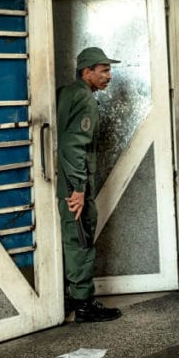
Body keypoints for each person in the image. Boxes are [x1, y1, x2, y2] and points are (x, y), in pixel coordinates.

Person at [56, 47, 122, 323]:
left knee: (75, 239)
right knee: (81, 239)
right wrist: (79, 190)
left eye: (109, 70)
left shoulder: (68, 92)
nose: (109, 75)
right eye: (103, 70)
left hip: (68, 180)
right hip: (74, 183)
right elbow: (74, 146)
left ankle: (76, 295)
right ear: (87, 72)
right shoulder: (83, 99)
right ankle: (83, 305)